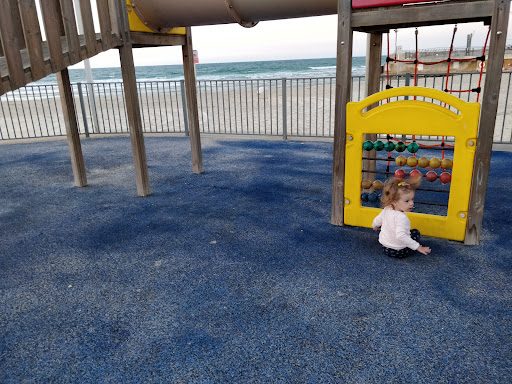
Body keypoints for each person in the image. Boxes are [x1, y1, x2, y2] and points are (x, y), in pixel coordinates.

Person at [372, 176, 431, 258]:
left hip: (385, 247)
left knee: (390, 229)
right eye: (407, 201)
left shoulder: (387, 209)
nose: (411, 203)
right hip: (399, 252)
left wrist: (375, 226)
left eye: (412, 199)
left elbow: (376, 221)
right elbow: (401, 236)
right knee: (415, 232)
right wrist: (418, 247)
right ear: (394, 201)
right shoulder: (402, 218)